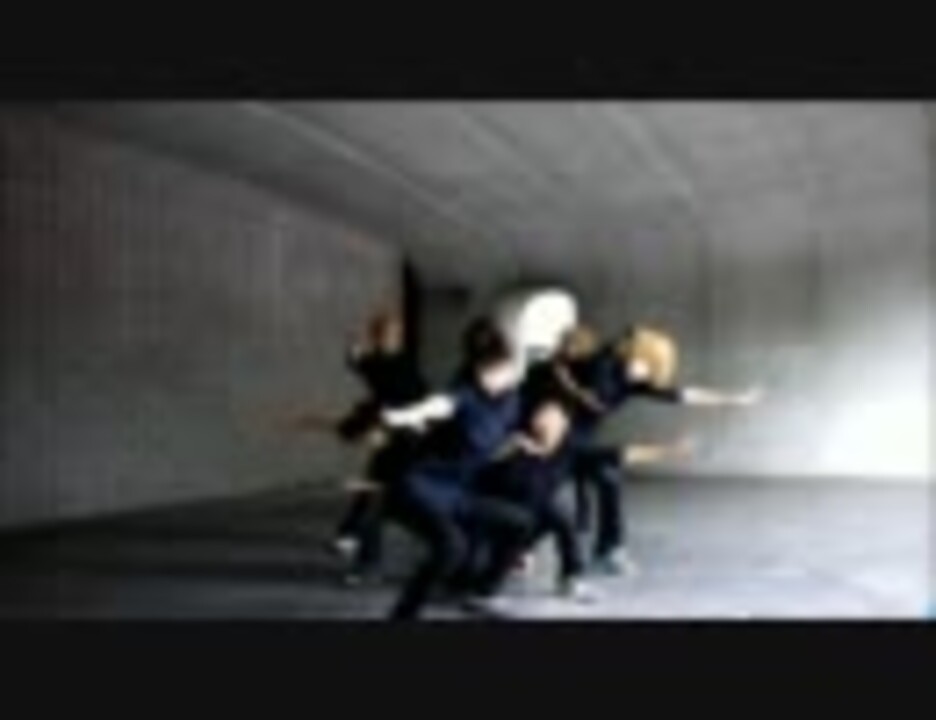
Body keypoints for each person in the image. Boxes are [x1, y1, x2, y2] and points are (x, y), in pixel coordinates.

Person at [546, 323, 763, 576]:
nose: (650, 376)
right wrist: (571, 387)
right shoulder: (603, 364)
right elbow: (567, 375)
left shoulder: (633, 379)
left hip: (581, 438)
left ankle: (609, 550)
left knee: (608, 478)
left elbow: (682, 395)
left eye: (653, 372)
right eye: (649, 367)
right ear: (637, 356)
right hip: (553, 434)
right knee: (565, 487)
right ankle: (526, 546)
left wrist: (732, 399)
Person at [471, 398, 695, 611]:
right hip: (498, 517)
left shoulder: (570, 449)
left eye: (553, 419)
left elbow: (620, 453)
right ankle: (490, 584)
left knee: (560, 515)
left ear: (564, 426)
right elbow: (483, 469)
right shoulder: (516, 445)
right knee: (539, 517)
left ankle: (570, 579)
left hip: (534, 518)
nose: (546, 423)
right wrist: (507, 450)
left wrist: (670, 451)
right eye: (542, 416)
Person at [379, 318, 535, 620]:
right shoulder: (464, 394)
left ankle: (482, 593)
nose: (496, 377)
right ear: (476, 368)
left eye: (503, 369)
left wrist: (515, 443)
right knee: (452, 548)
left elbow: (489, 447)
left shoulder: (512, 399)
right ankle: (404, 615)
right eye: (487, 370)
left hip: (459, 492)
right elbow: (438, 405)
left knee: (521, 522)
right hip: (420, 488)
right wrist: (403, 416)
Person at [285, 309, 428, 582]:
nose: (385, 338)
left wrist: (413, 422)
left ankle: (357, 538)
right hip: (387, 431)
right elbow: (359, 364)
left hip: (406, 436)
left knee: (395, 493)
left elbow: (417, 397)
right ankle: (356, 542)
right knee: (374, 491)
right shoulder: (376, 362)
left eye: (390, 333)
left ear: (397, 337)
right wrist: (353, 353)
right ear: (376, 336)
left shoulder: (403, 366)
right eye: (380, 333)